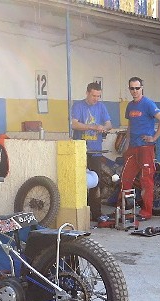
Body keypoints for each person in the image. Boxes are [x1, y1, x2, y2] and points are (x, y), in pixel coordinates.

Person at [122, 76, 160, 220]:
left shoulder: (148, 103)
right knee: (125, 179)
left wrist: (154, 138)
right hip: (133, 148)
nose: (134, 91)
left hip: (146, 148)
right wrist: (127, 144)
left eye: (137, 88)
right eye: (132, 88)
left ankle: (146, 212)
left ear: (142, 88)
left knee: (146, 181)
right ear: (129, 89)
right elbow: (130, 126)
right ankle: (126, 210)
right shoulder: (130, 106)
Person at [71, 82, 112, 222]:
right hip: (80, 150)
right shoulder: (78, 105)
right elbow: (74, 124)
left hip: (96, 150)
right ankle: (80, 213)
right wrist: (94, 127)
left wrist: (104, 128)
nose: (96, 99)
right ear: (87, 93)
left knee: (95, 182)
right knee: (79, 182)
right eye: (94, 95)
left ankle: (96, 213)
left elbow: (109, 124)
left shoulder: (101, 107)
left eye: (98, 96)